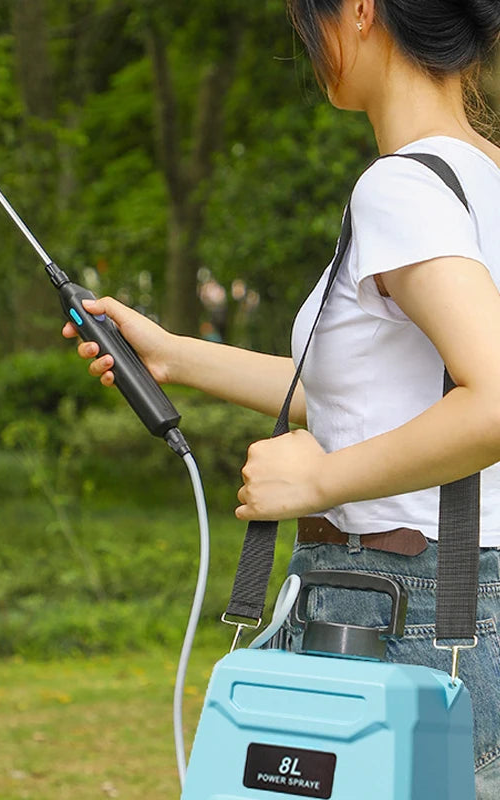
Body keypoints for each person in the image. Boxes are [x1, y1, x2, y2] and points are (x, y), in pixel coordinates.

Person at [63, 0, 500, 794]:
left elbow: (493, 401)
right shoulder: (486, 178)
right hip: (470, 604)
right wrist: (174, 354)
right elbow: (361, 398)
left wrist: (319, 484)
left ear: (361, 10)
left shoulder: (398, 190)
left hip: (399, 605)